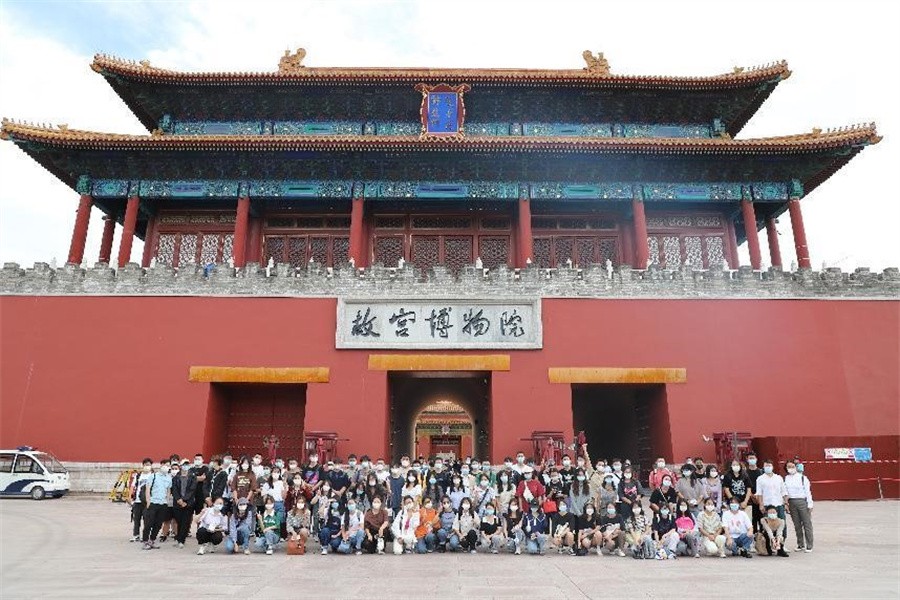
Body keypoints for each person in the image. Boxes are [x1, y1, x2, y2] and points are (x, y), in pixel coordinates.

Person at [141, 459, 172, 550]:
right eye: (166, 465)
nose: (167, 467)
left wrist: (167, 500)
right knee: (148, 523)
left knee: (158, 524)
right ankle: (145, 541)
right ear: (161, 465)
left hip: (163, 504)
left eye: (168, 466)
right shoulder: (153, 476)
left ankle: (152, 540)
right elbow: (148, 489)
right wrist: (148, 501)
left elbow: (168, 490)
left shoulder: (169, 478)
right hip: (153, 502)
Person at [784, 459, 814, 552]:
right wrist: (786, 503)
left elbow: (808, 491)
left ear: (796, 467)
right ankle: (800, 544)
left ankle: (809, 545)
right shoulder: (786, 478)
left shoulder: (802, 478)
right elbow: (785, 491)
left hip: (802, 501)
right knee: (797, 524)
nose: (791, 468)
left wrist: (810, 504)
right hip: (791, 502)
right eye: (789, 467)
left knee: (806, 523)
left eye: (792, 466)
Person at [755, 459, 788, 534]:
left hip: (779, 504)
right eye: (766, 466)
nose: (768, 467)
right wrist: (761, 504)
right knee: (768, 525)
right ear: (763, 467)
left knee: (782, 523)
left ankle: (782, 540)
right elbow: (759, 493)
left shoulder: (778, 478)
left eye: (769, 465)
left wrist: (786, 503)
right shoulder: (760, 479)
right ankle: (770, 540)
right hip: (767, 505)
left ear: (772, 467)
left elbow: (783, 491)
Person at [171, 461, 197, 549]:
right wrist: (179, 500)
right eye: (184, 465)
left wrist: (185, 500)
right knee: (179, 521)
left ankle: (182, 540)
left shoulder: (192, 477)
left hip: (188, 503)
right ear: (181, 466)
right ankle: (179, 538)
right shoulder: (176, 477)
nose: (185, 466)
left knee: (185, 522)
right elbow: (174, 489)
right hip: (177, 503)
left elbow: (192, 490)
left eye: (187, 465)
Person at [129, 458, 153, 542]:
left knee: (147, 520)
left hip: (148, 501)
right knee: (136, 519)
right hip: (137, 500)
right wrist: (130, 497)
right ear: (143, 465)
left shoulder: (153, 475)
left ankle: (145, 536)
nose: (147, 466)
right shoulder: (138, 475)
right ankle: (136, 535)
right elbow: (132, 486)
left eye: (149, 465)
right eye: (146, 465)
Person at [745, 453, 765, 533]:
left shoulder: (761, 472)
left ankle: (762, 537)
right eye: (750, 458)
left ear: (756, 459)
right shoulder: (745, 473)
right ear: (747, 460)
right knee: (751, 521)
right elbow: (745, 486)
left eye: (753, 458)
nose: (752, 460)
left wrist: (758, 496)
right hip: (750, 500)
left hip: (760, 499)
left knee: (762, 520)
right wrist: (751, 495)